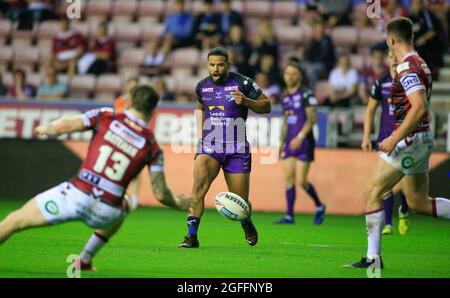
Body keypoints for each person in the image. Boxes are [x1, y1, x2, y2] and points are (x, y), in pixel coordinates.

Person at [0, 85, 188, 271]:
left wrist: (47, 129)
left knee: (14, 221)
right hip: (106, 212)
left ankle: (85, 260)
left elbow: (65, 125)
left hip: (74, 196)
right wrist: (180, 204)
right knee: (126, 204)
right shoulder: (153, 146)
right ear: (153, 109)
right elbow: (161, 193)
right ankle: (85, 259)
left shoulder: (107, 116)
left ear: (129, 100)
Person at [346, 17, 450, 269]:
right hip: (422, 138)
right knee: (418, 203)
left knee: (372, 192)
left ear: (392, 40)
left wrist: (394, 137)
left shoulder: (406, 67)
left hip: (409, 140)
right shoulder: (422, 64)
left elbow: (420, 106)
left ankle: (373, 259)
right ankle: (373, 258)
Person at [178, 47, 271, 248]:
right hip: (210, 146)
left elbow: (267, 105)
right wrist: (200, 135)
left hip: (237, 148)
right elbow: (200, 106)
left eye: (220, 64)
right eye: (212, 65)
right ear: (208, 65)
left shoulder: (242, 82)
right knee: (198, 187)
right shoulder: (202, 86)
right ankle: (191, 236)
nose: (216, 69)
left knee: (241, 202)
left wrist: (247, 101)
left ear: (228, 65)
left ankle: (246, 222)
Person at [362, 51, 409, 236]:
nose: (394, 59)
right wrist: (366, 136)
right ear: (387, 59)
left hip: (405, 138)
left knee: (406, 185)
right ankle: (388, 224)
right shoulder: (381, 83)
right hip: (384, 139)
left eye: (396, 55)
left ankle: (404, 209)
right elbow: (371, 109)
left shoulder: (408, 81)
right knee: (385, 184)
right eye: (391, 56)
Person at [275, 63, 326, 225]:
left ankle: (319, 206)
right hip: (290, 142)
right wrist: (282, 142)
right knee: (288, 178)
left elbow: (312, 119)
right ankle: (289, 215)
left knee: (301, 181)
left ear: (299, 76)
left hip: (304, 142)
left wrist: (301, 136)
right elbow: (285, 121)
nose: (289, 76)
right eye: (287, 73)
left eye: (293, 73)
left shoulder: (306, 94)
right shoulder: (285, 96)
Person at [143, 0, 194, 67]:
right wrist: (164, 35)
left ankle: (158, 61)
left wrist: (174, 34)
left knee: (169, 39)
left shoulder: (188, 17)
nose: (179, 7)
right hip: (169, 37)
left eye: (181, 5)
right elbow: (166, 30)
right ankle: (149, 61)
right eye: (178, 5)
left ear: (183, 6)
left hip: (181, 40)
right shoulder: (171, 16)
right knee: (155, 39)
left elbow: (187, 32)